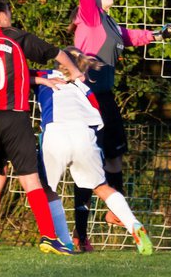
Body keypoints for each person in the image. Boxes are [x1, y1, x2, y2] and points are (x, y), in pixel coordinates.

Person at [65, 0, 171, 252]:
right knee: (88, 165)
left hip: (105, 97)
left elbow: (130, 37)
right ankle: (81, 235)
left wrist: (158, 35)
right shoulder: (91, 16)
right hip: (88, 98)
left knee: (114, 156)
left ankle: (113, 212)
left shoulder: (109, 23)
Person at [0, 0, 80, 255]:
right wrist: (74, 71)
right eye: (8, 11)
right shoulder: (15, 36)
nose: (11, 16)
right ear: (1, 16)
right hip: (12, 117)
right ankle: (49, 238)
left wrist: (40, 82)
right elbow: (54, 52)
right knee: (30, 178)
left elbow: (8, 75)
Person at [36, 47, 155, 255]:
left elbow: (19, 74)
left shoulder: (46, 76)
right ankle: (134, 224)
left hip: (56, 131)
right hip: (84, 135)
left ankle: (65, 241)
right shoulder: (85, 88)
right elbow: (96, 120)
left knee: (45, 189)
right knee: (101, 187)